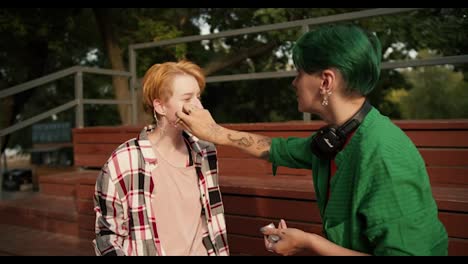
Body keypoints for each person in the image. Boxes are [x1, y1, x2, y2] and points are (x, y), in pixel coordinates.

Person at [174, 24, 448, 256]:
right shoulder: (340, 135)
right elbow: (277, 149)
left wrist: (309, 241)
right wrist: (216, 133)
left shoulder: (384, 155)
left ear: (326, 81)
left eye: (300, 73)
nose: (294, 83)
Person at [93, 60, 229, 256]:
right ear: (160, 106)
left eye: (198, 97)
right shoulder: (124, 161)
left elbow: (211, 223)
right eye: (187, 98)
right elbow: (108, 237)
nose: (199, 106)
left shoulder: (205, 151)